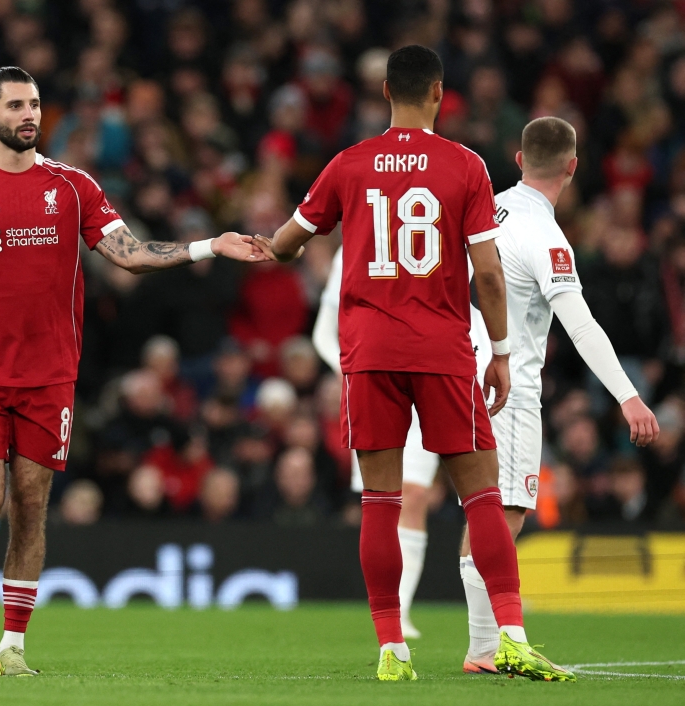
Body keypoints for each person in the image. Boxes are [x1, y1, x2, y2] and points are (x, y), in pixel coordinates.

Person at [0, 66, 267, 677]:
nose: (28, 115)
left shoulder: (73, 187)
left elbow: (130, 255)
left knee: (31, 507)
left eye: (34, 104)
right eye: (15, 106)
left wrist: (205, 246)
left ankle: (12, 648)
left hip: (49, 376)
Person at [253, 46, 572, 681]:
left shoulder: (348, 164)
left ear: (383, 91)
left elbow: (288, 244)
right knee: (482, 495)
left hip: (369, 353)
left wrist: (257, 245)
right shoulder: (464, 165)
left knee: (381, 500)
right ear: (437, 92)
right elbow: (485, 271)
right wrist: (502, 352)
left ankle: (392, 649)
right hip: (442, 349)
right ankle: (508, 635)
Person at [458, 116, 658, 673]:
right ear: (573, 166)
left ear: (519, 160)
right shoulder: (548, 237)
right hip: (508, 387)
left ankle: (483, 647)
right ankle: (490, 648)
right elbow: (582, 325)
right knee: (506, 512)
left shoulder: (483, 209)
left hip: (455, 377)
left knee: (483, 511)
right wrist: (628, 396)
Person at [313, 246, 491, 639]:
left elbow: (470, 311)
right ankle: (388, 614)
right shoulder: (353, 246)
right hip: (375, 378)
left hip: (435, 375)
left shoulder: (440, 232)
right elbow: (325, 330)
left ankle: (401, 612)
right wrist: (350, 370)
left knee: (415, 497)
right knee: (385, 499)